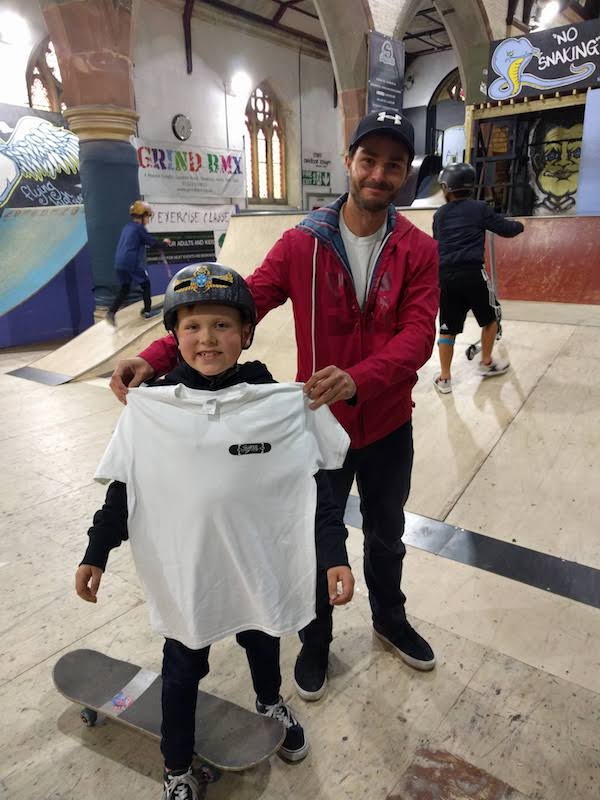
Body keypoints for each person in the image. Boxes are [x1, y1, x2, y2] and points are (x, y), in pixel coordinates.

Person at [109, 109, 440, 700]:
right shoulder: (301, 244)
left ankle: (390, 618)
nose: (379, 174)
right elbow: (241, 303)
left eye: (393, 165)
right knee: (313, 536)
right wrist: (158, 356)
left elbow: (418, 337)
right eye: (369, 160)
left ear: (404, 174)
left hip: (389, 422)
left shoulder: (417, 249)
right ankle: (316, 643)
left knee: (387, 534)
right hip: (313, 428)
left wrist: (359, 377)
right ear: (349, 163)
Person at [77, 263, 354, 800]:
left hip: (258, 561)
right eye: (193, 327)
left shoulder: (282, 402)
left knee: (263, 638)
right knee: (183, 668)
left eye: (223, 326)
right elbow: (124, 488)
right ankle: (176, 765)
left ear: (246, 333)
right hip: (190, 573)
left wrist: (334, 555)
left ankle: (269, 703)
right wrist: (97, 551)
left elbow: (316, 486)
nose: (208, 339)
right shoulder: (149, 408)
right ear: (174, 336)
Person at [432, 162, 525, 394]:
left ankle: (444, 379)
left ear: (446, 187)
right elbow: (506, 229)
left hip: (446, 277)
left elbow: (437, 241)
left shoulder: (439, 214)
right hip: (473, 273)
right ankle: (486, 362)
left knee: (447, 328)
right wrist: (521, 226)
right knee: (491, 319)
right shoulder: (479, 208)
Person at [105, 200, 172, 326]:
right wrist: (165, 243)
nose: (148, 219)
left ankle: (111, 312)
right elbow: (153, 243)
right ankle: (147, 312)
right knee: (146, 284)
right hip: (131, 263)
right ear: (143, 216)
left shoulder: (127, 227)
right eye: (147, 216)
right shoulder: (139, 229)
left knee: (125, 288)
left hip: (119, 263)